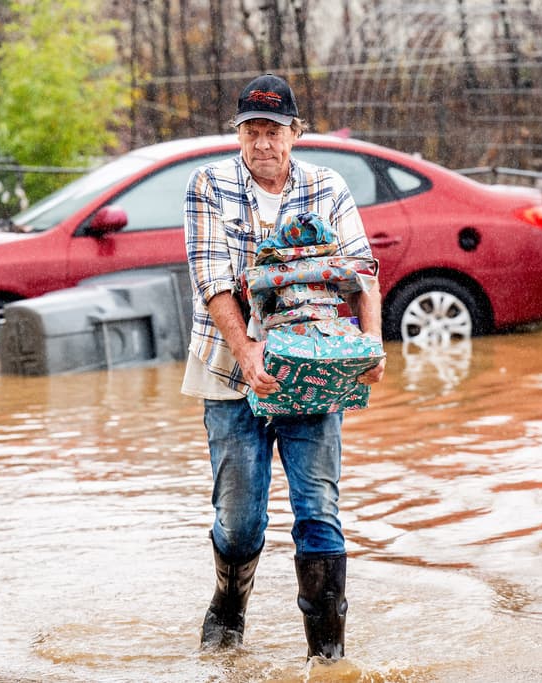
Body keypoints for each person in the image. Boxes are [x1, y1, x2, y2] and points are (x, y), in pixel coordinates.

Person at [182, 73, 385, 661]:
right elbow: (212, 278)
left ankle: (328, 662)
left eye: (274, 131)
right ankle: (229, 602)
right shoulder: (209, 185)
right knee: (241, 522)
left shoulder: (328, 186)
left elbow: (362, 274)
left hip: (314, 373)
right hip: (229, 369)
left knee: (319, 512)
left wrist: (371, 345)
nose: (262, 144)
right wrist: (248, 355)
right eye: (251, 131)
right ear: (238, 135)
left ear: (296, 133)